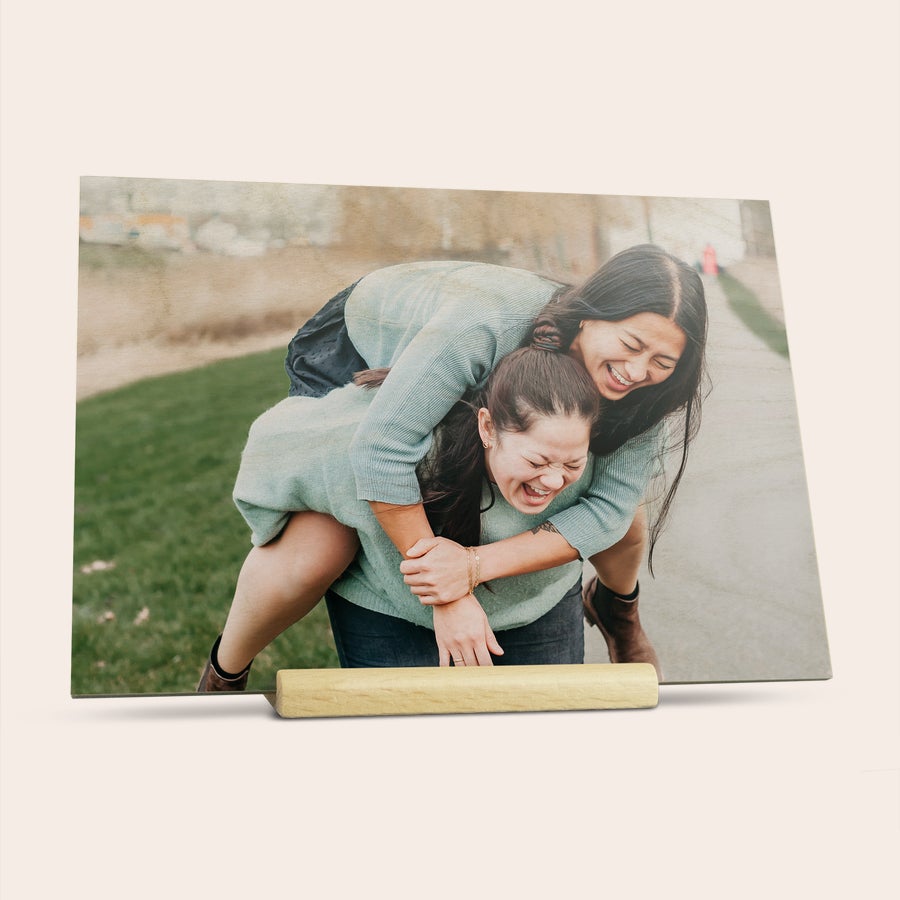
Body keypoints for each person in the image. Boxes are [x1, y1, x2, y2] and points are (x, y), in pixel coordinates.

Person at [197, 243, 708, 689]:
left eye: (662, 362)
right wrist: (447, 594)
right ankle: (225, 670)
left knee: (619, 507)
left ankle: (618, 609)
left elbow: (609, 510)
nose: (639, 371)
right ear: (592, 314)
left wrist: (472, 567)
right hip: (366, 334)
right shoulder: (485, 325)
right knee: (332, 527)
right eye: (632, 346)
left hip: (483, 340)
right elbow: (381, 451)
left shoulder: (649, 389)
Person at [198, 331, 600, 689]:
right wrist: (447, 595)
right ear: (488, 428)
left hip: (539, 600)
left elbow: (613, 522)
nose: (552, 480)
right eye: (536, 462)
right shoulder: (402, 446)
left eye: (570, 465)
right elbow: (277, 451)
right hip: (390, 602)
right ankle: (220, 679)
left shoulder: (597, 458)